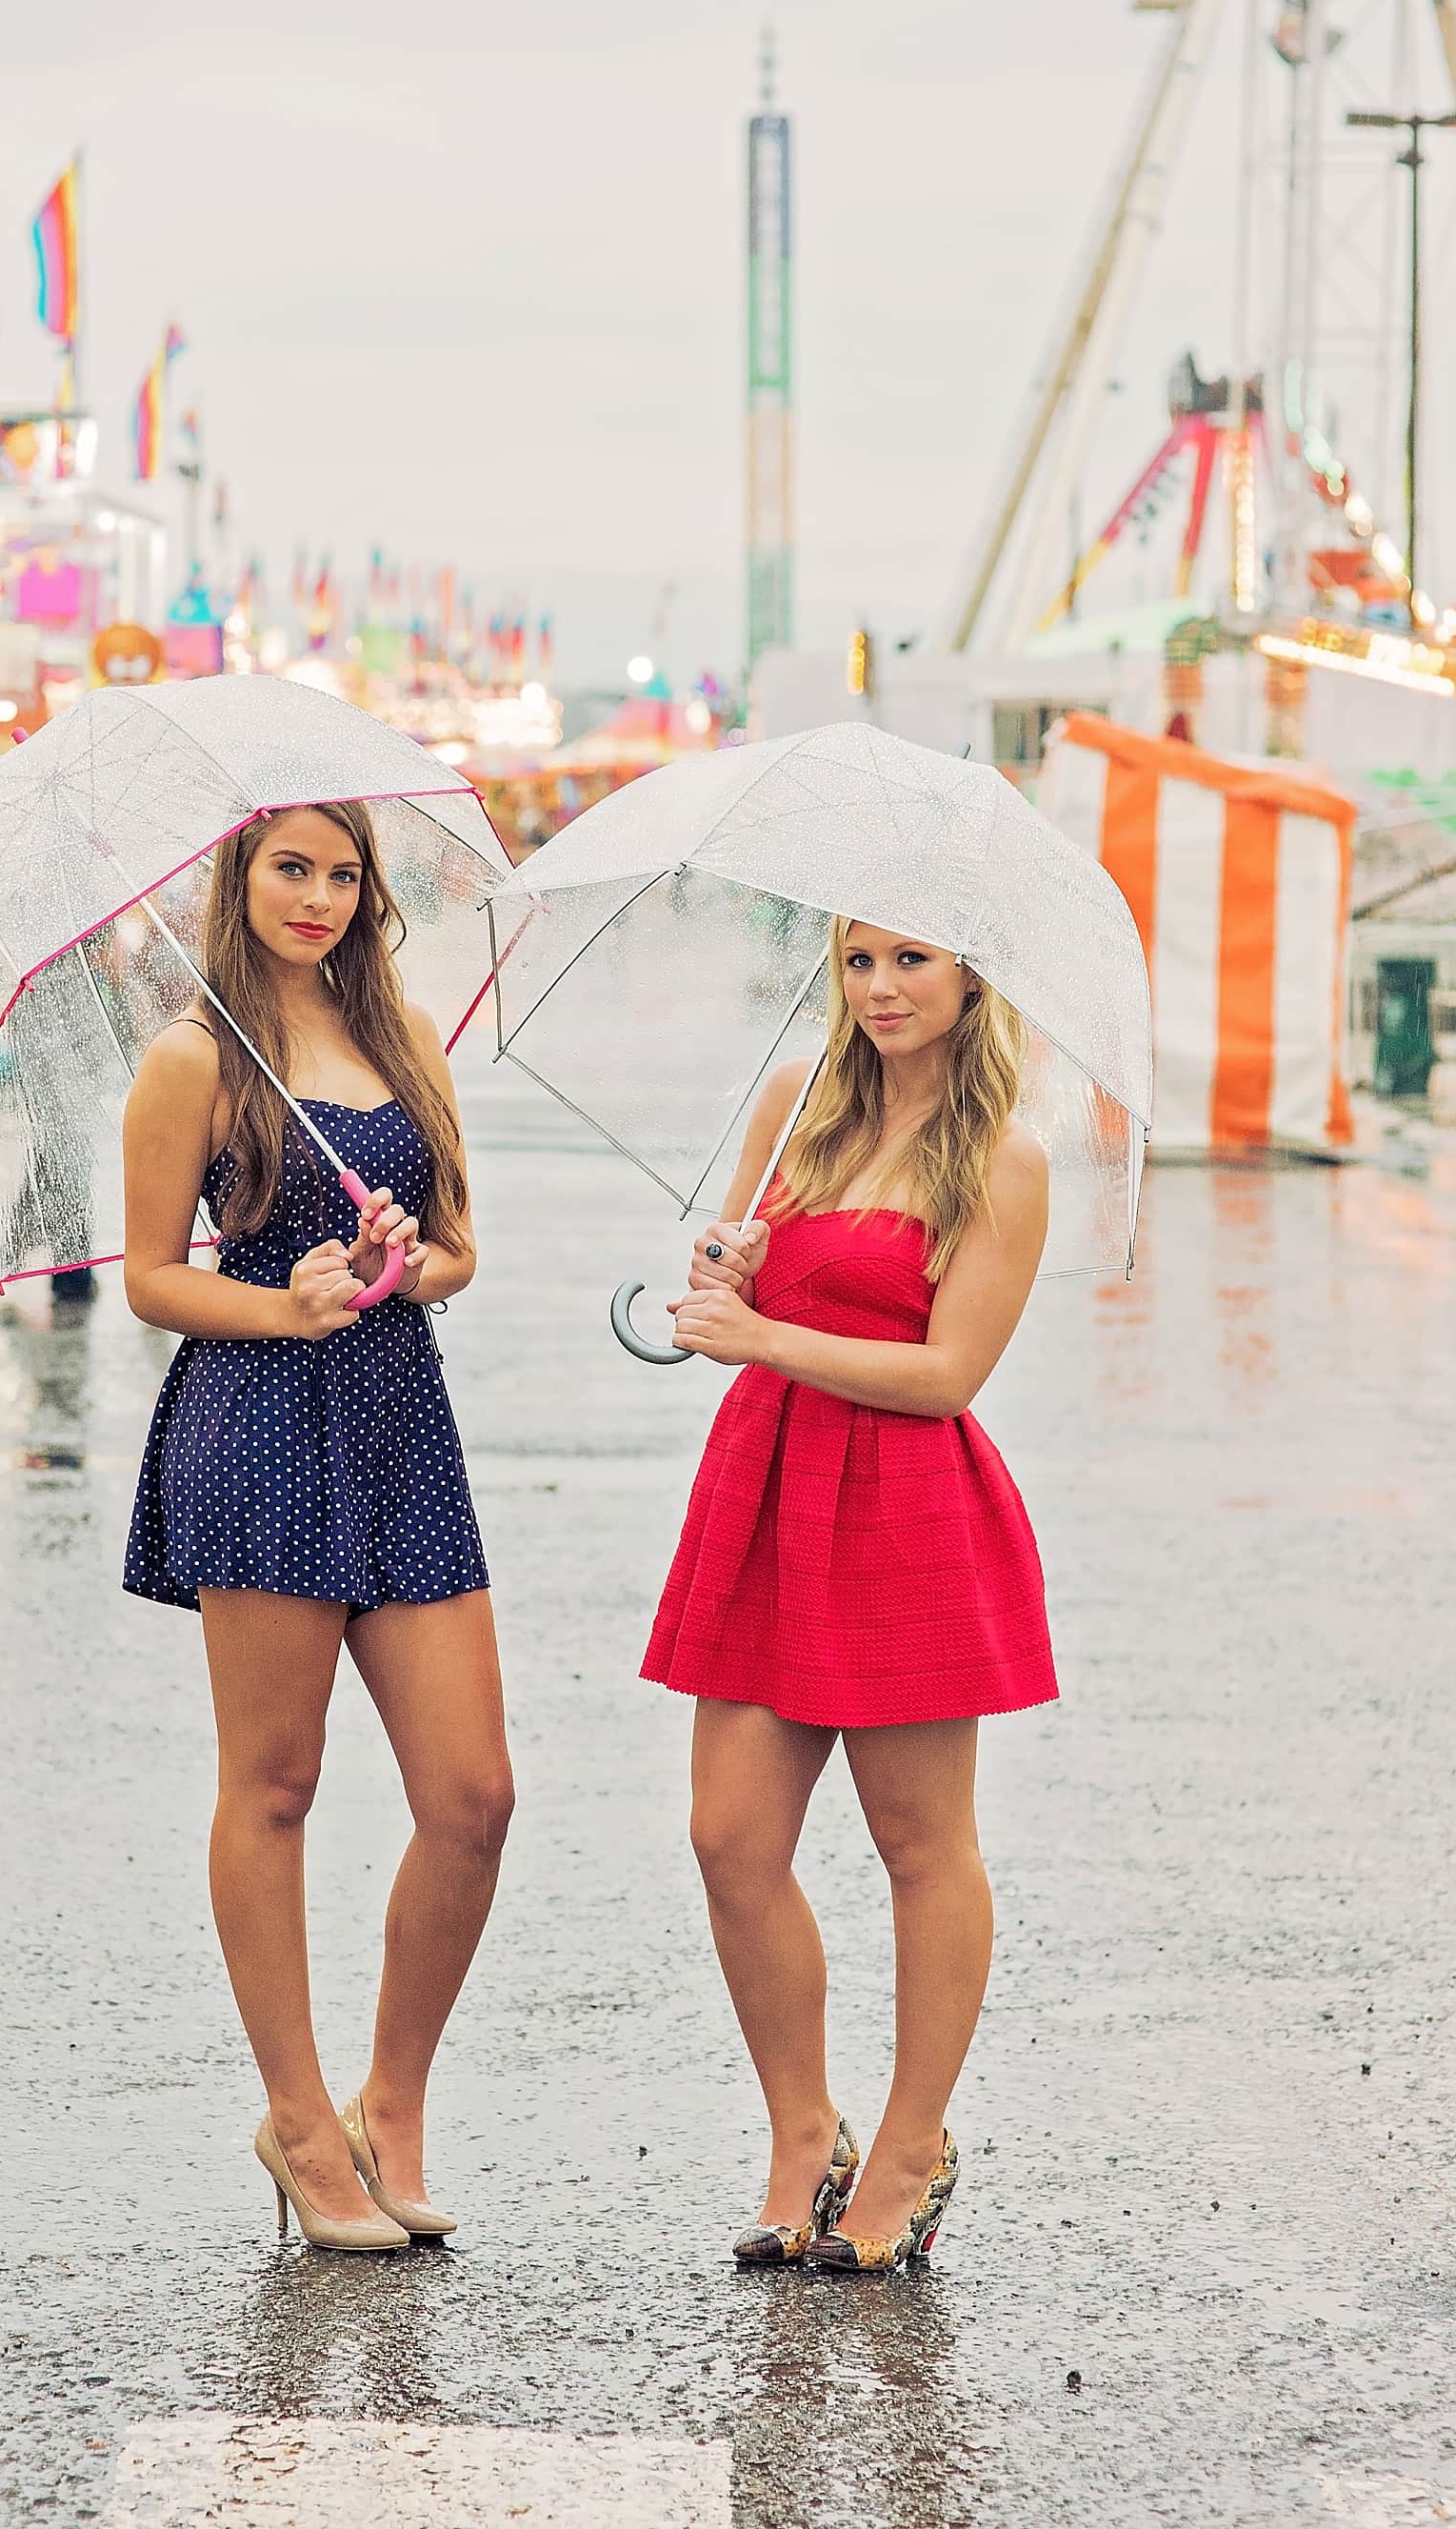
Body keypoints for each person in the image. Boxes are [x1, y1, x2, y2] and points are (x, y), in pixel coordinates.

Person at [121, 800, 512, 2254]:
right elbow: (158, 1278)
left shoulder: (404, 1037)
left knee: (473, 1797)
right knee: (274, 1783)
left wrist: (415, 1267)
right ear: (239, 873)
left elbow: (463, 1243)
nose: (321, 897)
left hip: (400, 1416)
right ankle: (296, 2120)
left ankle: (386, 2104)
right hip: (262, 1419)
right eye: (293, 867)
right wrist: (285, 1300)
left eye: (346, 874)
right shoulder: (194, 1057)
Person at [644, 918, 1055, 2275]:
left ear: (972, 979)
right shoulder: (794, 1113)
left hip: (905, 1511)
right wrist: (726, 1290)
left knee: (920, 1846)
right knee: (729, 1836)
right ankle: (800, 2131)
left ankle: (914, 2145)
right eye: (861, 962)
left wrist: (768, 1333)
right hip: (768, 1490)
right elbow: (740, 1318)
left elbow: (946, 1378)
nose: (880, 989)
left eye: (913, 962)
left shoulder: (1004, 1160)